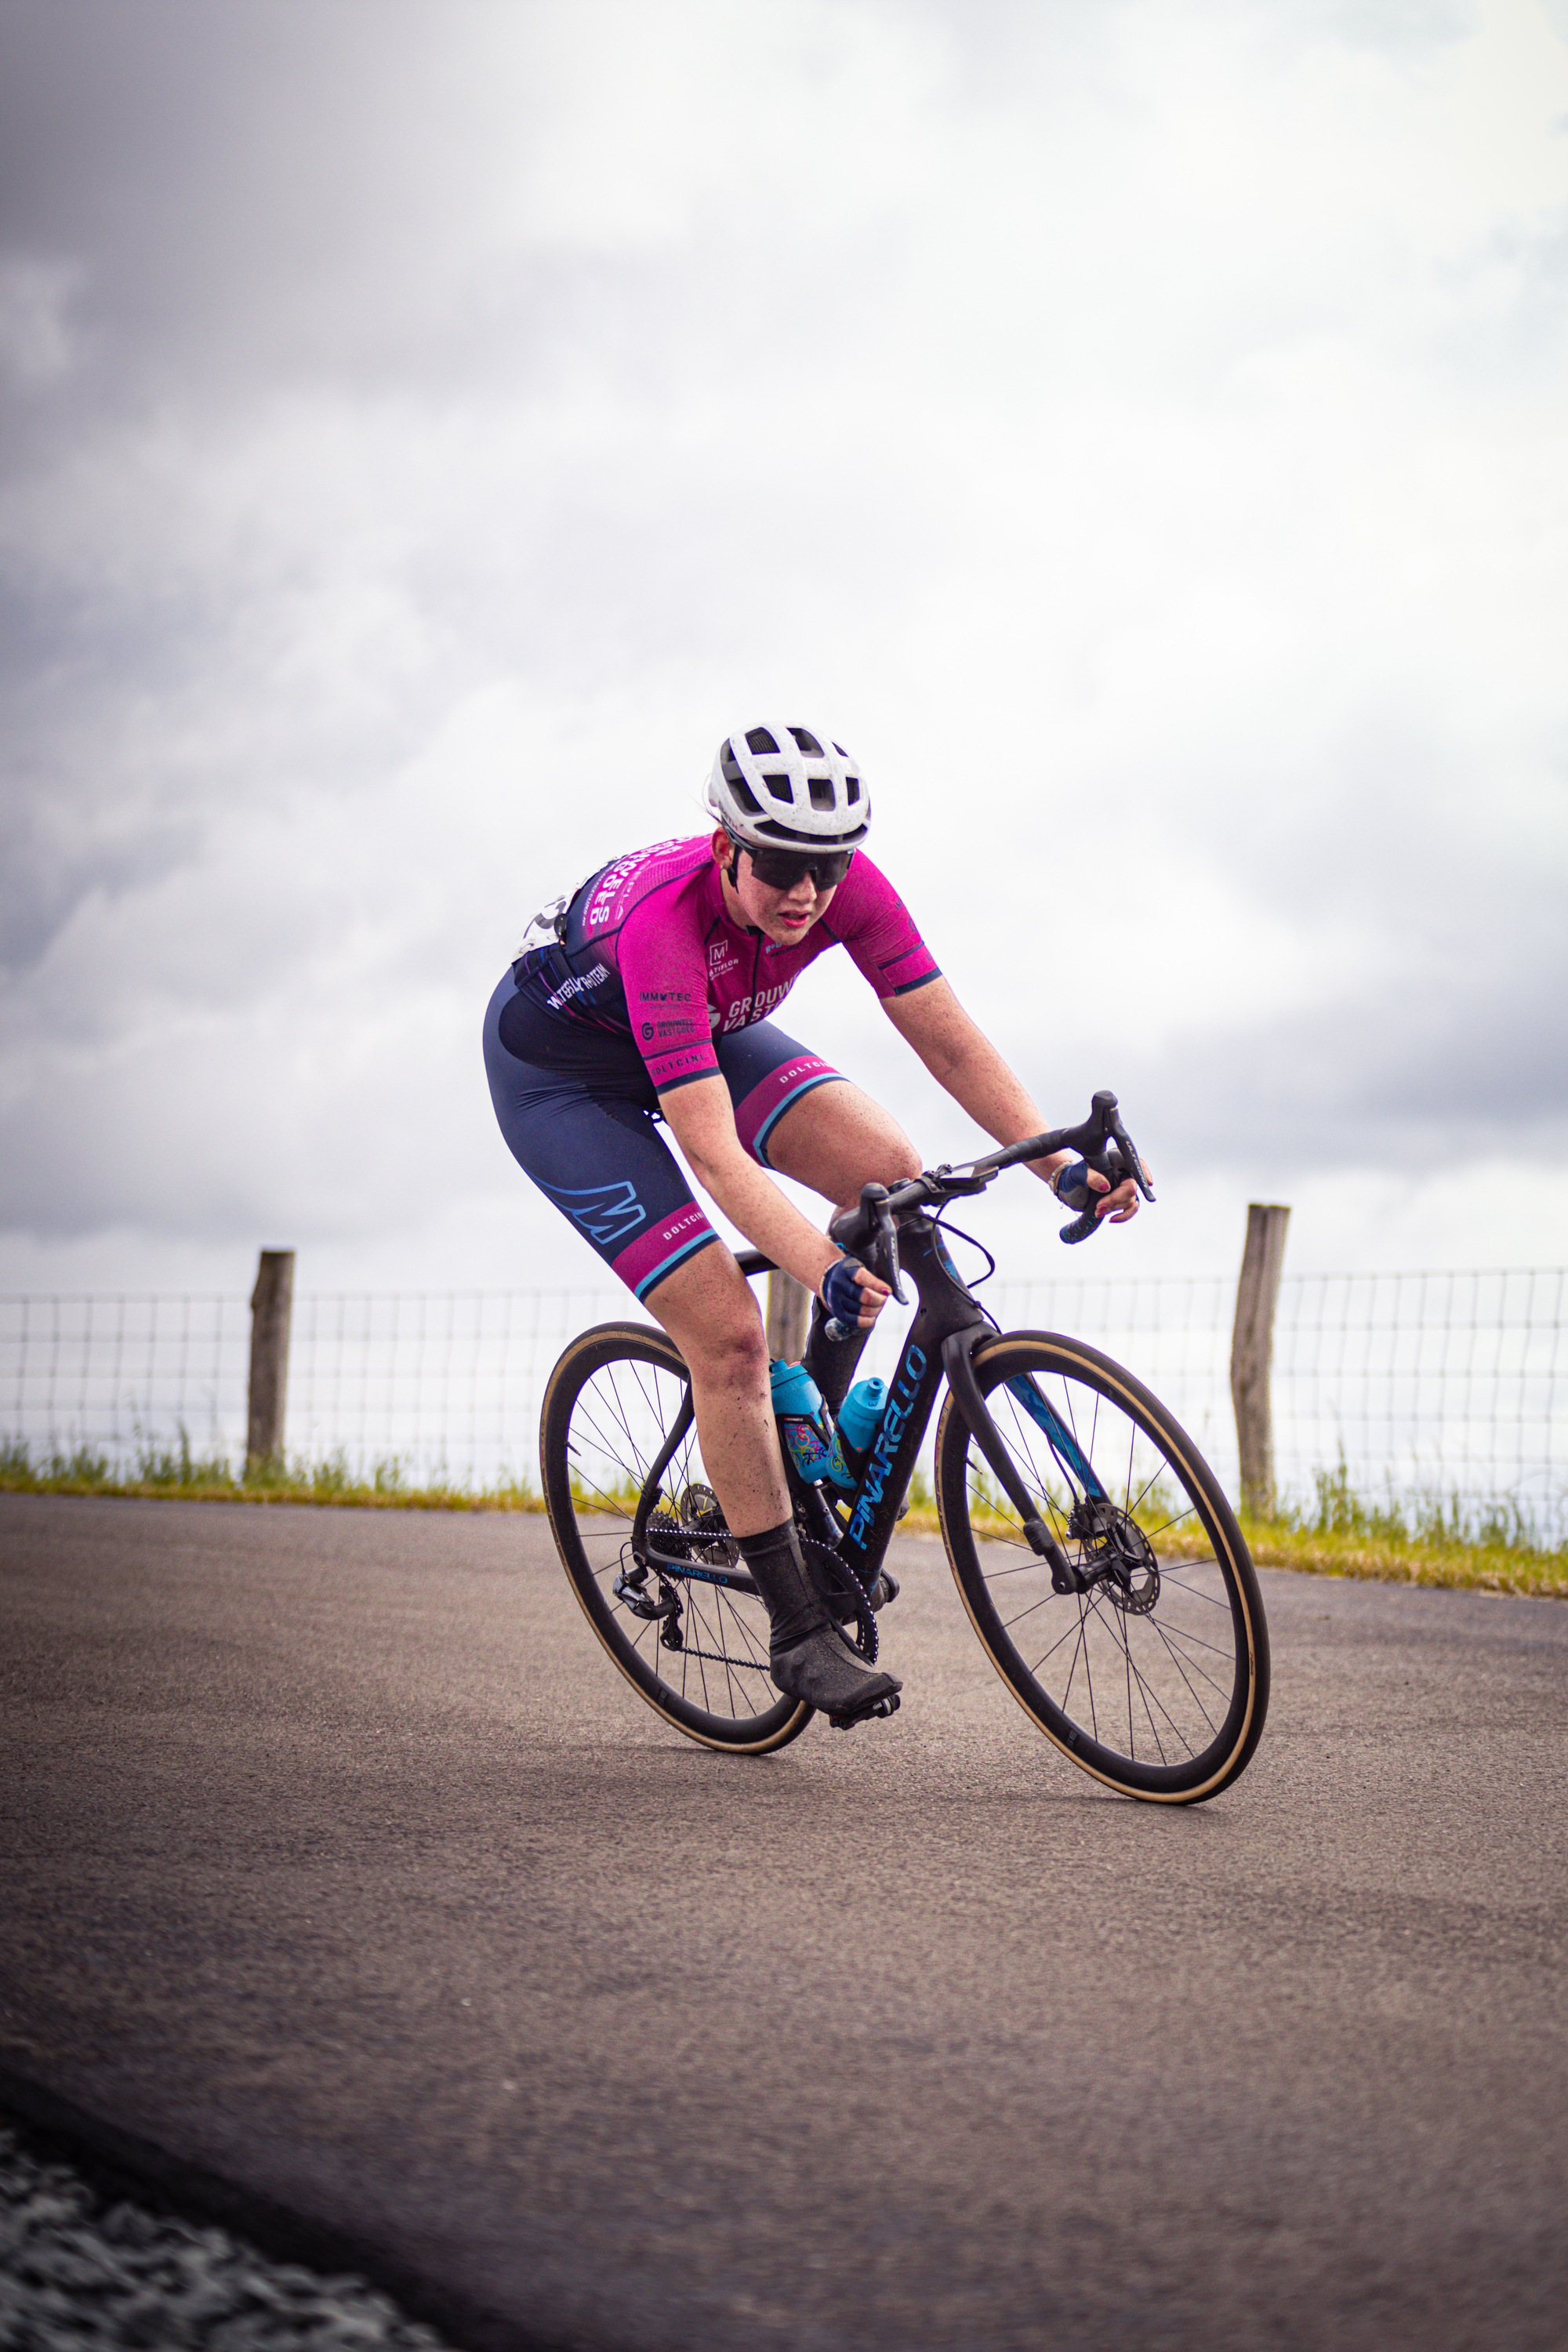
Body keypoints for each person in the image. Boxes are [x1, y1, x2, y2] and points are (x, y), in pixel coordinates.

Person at [483, 722, 1142, 1727]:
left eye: (826, 867)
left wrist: (1056, 1166)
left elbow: (951, 1045)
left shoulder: (847, 893)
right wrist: (810, 1263)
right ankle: (797, 1631)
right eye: (783, 865)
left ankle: (806, 1445)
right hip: (563, 1084)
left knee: (889, 1176)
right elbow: (712, 1155)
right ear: (726, 848)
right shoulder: (665, 924)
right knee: (731, 1334)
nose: (806, 892)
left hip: (709, 1033)